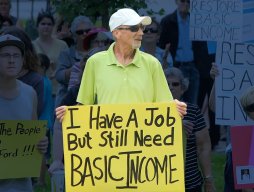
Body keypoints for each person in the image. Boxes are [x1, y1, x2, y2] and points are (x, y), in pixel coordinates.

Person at [50, 8, 187, 174]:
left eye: (141, 28)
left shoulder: (152, 64)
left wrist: (176, 110)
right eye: (133, 28)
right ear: (116, 33)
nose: (140, 32)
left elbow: (164, 108)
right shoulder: (95, 63)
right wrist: (59, 158)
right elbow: (81, 112)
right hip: (103, 160)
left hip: (143, 158)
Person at [0, 34, 48, 192]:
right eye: (5, 55)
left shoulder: (30, 93)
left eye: (16, 56)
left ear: (22, 60)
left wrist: (41, 143)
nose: (12, 60)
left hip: (22, 183)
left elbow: (34, 136)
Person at [165, 67, 215, 192]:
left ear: (182, 88)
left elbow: (203, 147)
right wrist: (176, 124)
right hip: (161, 183)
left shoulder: (193, 111)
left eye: (175, 84)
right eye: (166, 84)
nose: (170, 87)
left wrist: (208, 179)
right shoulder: (151, 113)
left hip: (191, 183)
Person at [159, 0, 204, 105]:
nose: (185, 4)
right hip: (176, 68)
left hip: (194, 67)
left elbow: (202, 45)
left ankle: (190, 122)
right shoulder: (167, 21)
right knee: (174, 102)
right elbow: (161, 45)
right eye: (182, 1)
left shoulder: (197, 21)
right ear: (176, 1)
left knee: (192, 104)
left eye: (188, 1)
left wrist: (199, 64)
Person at [33, 11, 68, 100]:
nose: (46, 27)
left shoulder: (62, 45)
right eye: (43, 24)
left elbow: (67, 66)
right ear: (37, 26)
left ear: (53, 27)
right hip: (37, 91)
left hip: (57, 92)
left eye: (49, 24)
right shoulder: (31, 46)